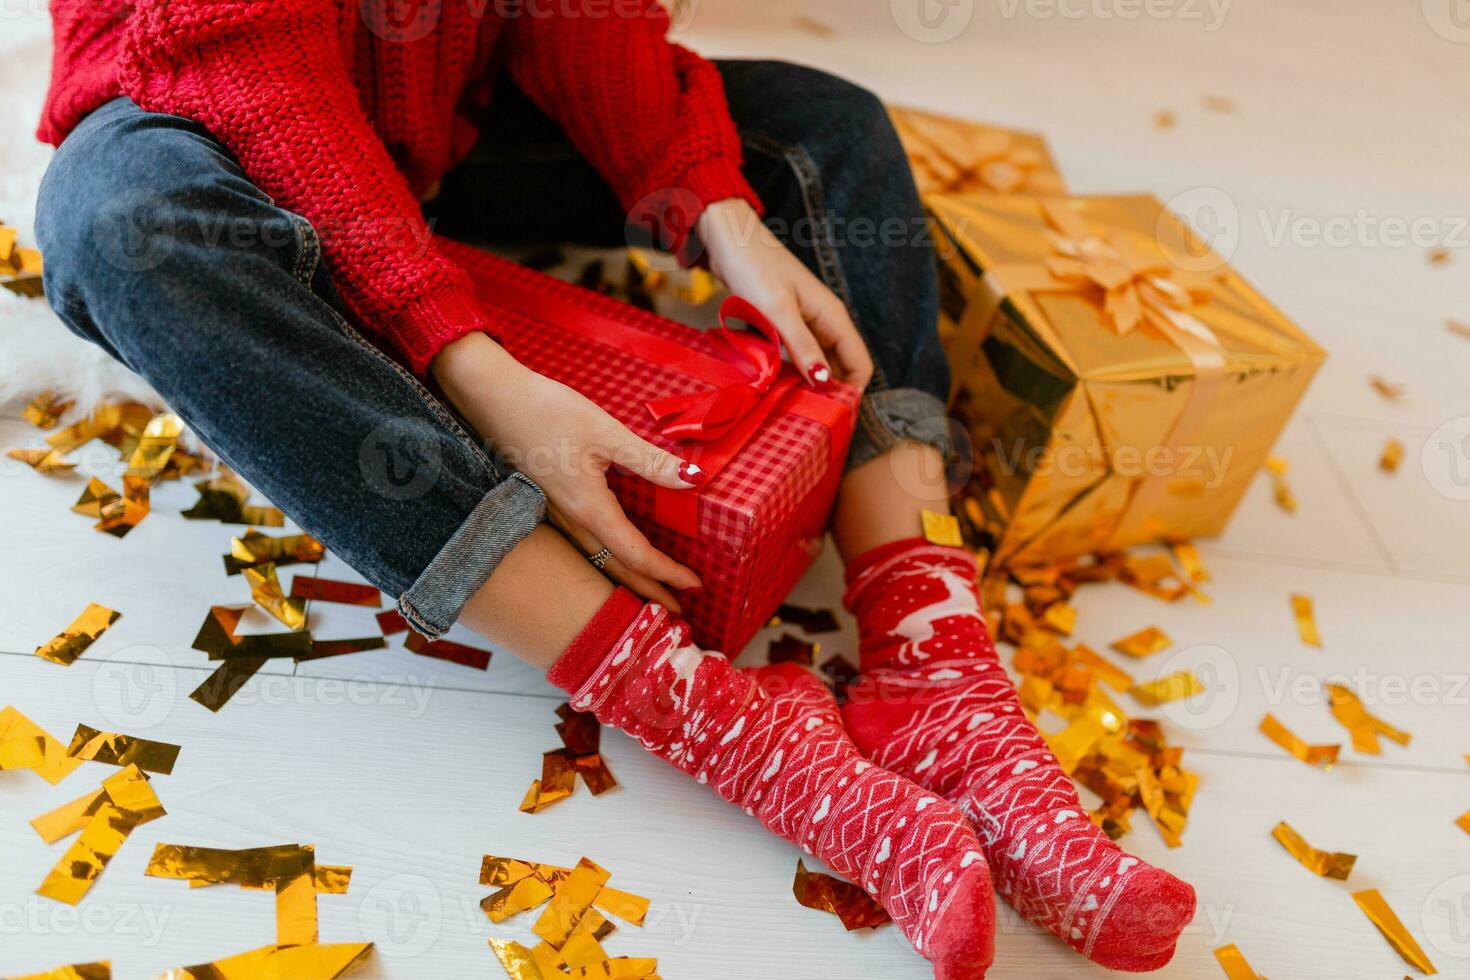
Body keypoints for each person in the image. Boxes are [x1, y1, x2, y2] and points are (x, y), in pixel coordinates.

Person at [33, 0, 1194, 975]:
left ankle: (937, 664)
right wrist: (473, 365)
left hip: (442, 124)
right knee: (123, 226)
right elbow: (253, 62)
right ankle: (715, 719)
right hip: (211, 108)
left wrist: (711, 206)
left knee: (827, 128)